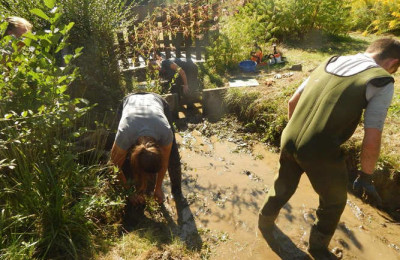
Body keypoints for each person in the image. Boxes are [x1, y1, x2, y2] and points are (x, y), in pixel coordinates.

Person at [258, 38, 400, 258]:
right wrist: (366, 176)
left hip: (289, 136)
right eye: (395, 69)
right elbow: (373, 135)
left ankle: (264, 224)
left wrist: (295, 141)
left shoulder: (331, 61)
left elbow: (293, 102)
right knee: (334, 201)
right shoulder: (381, 81)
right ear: (393, 62)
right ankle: (317, 248)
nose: (393, 73)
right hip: (321, 150)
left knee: (282, 185)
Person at [110, 92, 183, 205]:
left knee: (173, 156)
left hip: (157, 101)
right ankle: (134, 188)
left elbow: (165, 161)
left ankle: (177, 192)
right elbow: (114, 165)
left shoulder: (165, 132)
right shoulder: (125, 134)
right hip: (130, 101)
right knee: (124, 162)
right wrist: (129, 192)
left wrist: (158, 188)